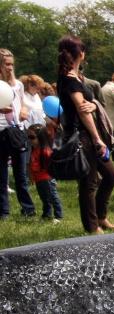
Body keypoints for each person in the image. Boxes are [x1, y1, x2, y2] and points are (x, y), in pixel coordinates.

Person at [57, 35, 114, 233]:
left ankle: (101, 216)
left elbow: (89, 106)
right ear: (81, 54)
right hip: (83, 136)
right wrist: (97, 139)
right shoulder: (69, 80)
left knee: (111, 175)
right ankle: (92, 227)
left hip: (90, 134)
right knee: (89, 182)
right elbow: (82, 112)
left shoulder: (78, 78)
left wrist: (93, 104)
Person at [0, 47, 36, 219]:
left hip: (17, 131)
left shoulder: (18, 85)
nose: (10, 68)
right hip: (0, 132)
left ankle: (28, 209)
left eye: (12, 64)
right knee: (1, 175)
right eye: (7, 64)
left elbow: (22, 103)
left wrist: (23, 111)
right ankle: (4, 212)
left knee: (21, 174)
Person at [26, 124, 63, 221]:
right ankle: (47, 214)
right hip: (39, 179)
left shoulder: (46, 151)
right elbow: (31, 164)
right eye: (28, 137)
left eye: (32, 137)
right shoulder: (34, 150)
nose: (30, 139)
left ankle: (58, 216)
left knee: (53, 197)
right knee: (44, 198)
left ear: (41, 137)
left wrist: (53, 177)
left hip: (47, 179)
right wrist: (31, 176)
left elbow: (52, 166)